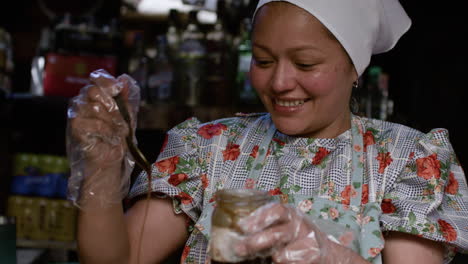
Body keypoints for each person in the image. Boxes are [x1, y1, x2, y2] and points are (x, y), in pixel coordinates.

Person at [67, 0, 468, 263]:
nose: (279, 83)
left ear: (355, 67)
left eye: (305, 64)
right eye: (262, 60)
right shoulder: (207, 148)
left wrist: (327, 255)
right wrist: (102, 166)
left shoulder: (409, 159)